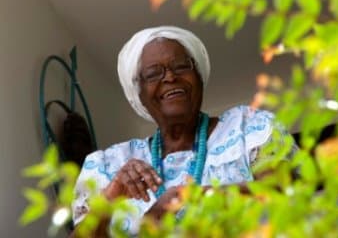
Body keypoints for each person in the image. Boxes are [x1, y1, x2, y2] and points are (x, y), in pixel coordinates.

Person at [71, 26, 296, 237]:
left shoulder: (248, 127)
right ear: (139, 94)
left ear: (198, 77)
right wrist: (111, 195)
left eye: (181, 66)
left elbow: (284, 191)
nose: (170, 77)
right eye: (153, 73)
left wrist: (190, 197)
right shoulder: (109, 164)